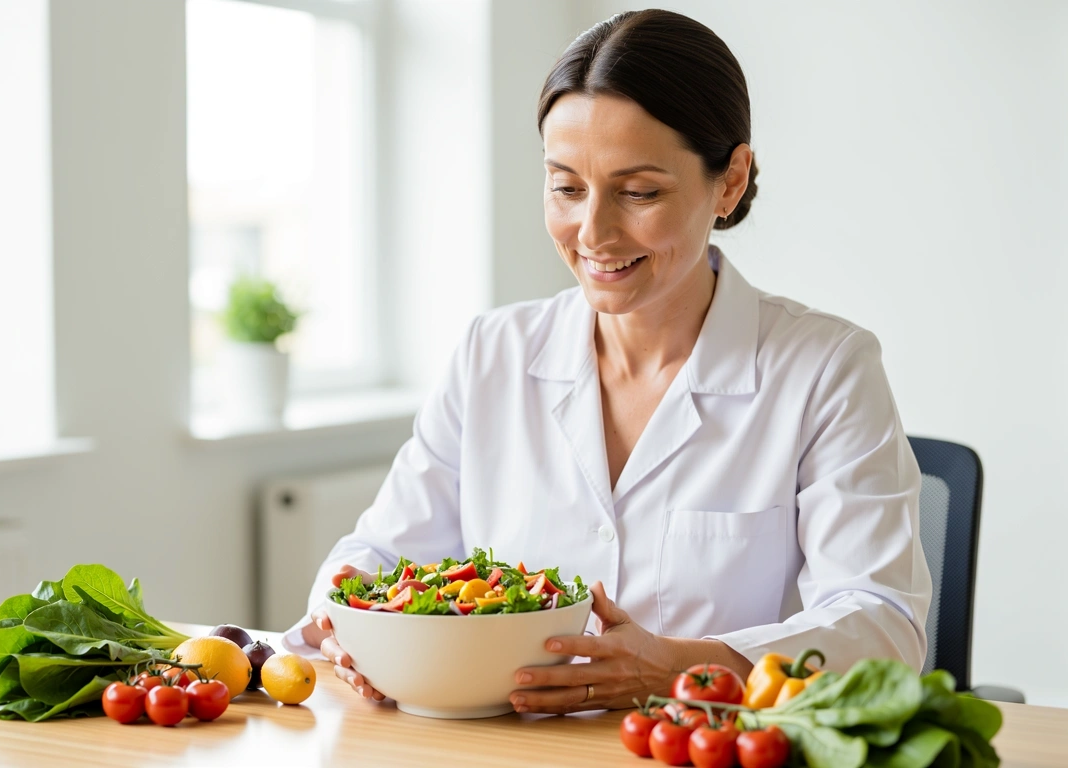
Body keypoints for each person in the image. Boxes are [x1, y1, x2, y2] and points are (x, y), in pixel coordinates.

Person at [284, 9, 931, 715]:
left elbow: (881, 623)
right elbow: (375, 555)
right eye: (566, 187)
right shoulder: (493, 353)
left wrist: (682, 666)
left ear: (729, 180)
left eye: (639, 192)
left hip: (703, 745)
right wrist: (349, 628)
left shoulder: (825, 367)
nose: (592, 232)